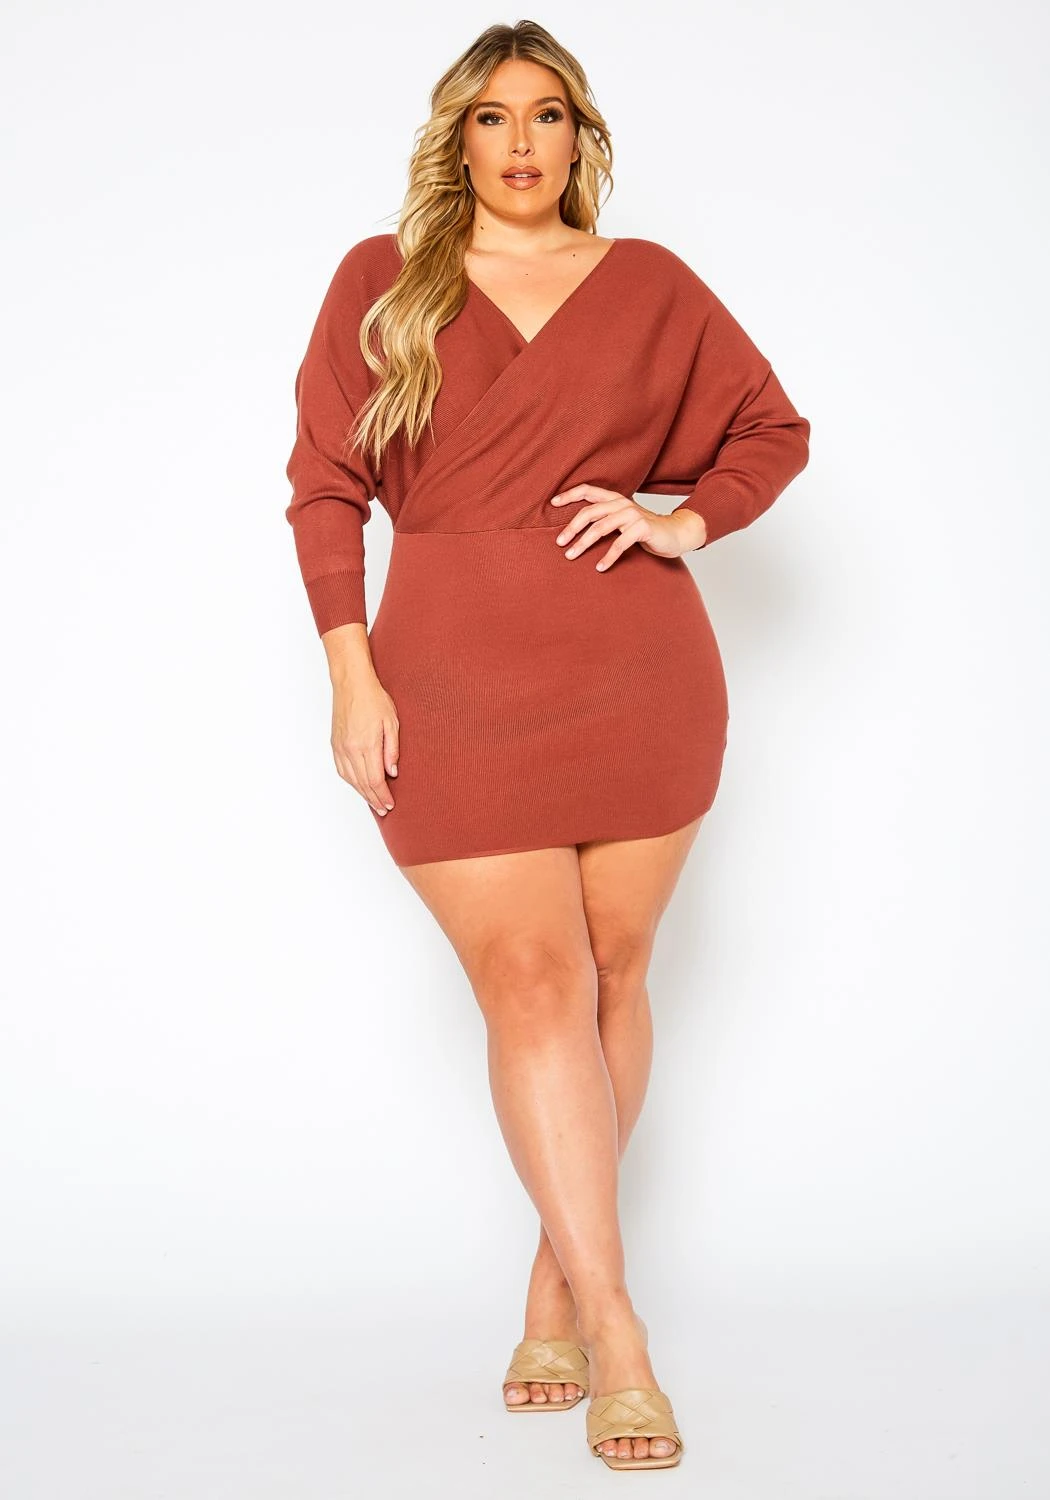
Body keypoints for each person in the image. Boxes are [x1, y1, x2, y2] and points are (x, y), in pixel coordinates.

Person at [284, 20, 810, 1472]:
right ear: (455, 140)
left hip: (637, 674)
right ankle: (621, 1330)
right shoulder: (381, 281)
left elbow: (770, 429)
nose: (521, 143)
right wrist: (350, 670)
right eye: (492, 117)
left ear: (582, 136)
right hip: (449, 680)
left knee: (613, 973)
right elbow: (324, 487)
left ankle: (554, 1289)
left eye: (549, 115)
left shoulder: (651, 286)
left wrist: (680, 520)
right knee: (531, 980)